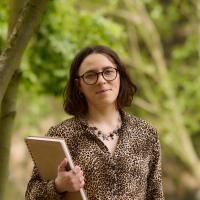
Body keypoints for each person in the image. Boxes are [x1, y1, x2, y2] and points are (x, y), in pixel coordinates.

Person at [25, 45, 164, 200]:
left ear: (120, 75)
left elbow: (156, 194)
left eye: (108, 72)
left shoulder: (146, 133)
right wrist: (58, 186)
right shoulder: (61, 135)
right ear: (79, 85)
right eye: (91, 75)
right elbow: (31, 195)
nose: (101, 81)